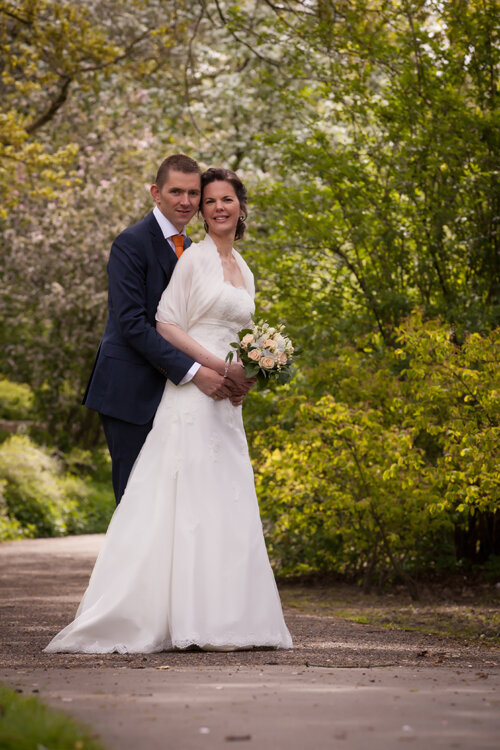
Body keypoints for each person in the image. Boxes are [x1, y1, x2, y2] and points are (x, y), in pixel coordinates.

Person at [44, 168, 293, 653]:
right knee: (156, 503)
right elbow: (151, 323)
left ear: (241, 206)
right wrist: (213, 369)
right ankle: (151, 613)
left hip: (219, 397)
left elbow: (238, 334)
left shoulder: (244, 267)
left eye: (223, 199)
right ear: (171, 198)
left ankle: (226, 615)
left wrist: (248, 373)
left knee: (223, 497)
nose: (214, 206)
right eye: (206, 199)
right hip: (164, 389)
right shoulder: (170, 251)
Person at [83, 154, 250, 504]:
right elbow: (131, 324)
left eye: (193, 193)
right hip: (130, 392)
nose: (186, 201)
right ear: (156, 193)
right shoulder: (131, 243)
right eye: (176, 192)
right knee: (136, 503)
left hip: (178, 398)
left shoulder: (193, 250)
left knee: (175, 505)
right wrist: (194, 372)